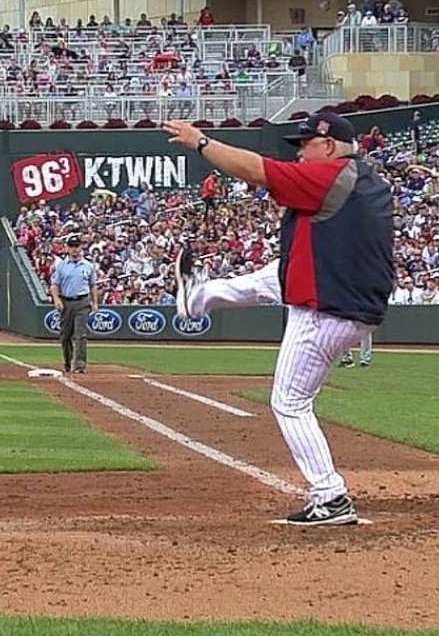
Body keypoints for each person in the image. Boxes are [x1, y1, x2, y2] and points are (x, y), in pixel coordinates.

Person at [165, 112, 394, 526]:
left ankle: (330, 496)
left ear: (328, 145)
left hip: (327, 307)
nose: (299, 153)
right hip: (339, 286)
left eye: (304, 145)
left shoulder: (332, 176)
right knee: (271, 276)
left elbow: (256, 170)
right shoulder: (366, 178)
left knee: (289, 403)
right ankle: (196, 297)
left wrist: (202, 143)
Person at [50, 235, 99, 374]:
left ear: (81, 247)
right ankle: (67, 361)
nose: (75, 250)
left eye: (77, 246)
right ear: (67, 248)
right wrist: (57, 300)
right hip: (66, 301)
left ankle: (79, 365)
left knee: (80, 334)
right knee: (65, 336)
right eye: (72, 247)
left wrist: (95, 303)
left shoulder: (88, 265)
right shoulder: (61, 266)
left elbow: (93, 285)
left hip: (82, 301)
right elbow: (54, 285)